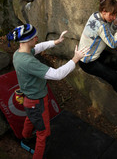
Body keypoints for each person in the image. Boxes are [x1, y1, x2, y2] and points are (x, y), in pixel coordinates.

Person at [7, 24, 89, 159]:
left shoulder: (19, 54)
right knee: (43, 134)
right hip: (37, 102)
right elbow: (57, 75)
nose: (37, 39)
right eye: (34, 37)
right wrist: (75, 59)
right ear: (27, 40)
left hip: (29, 101)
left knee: (30, 117)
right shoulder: (29, 62)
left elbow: (37, 48)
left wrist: (55, 42)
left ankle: (26, 137)